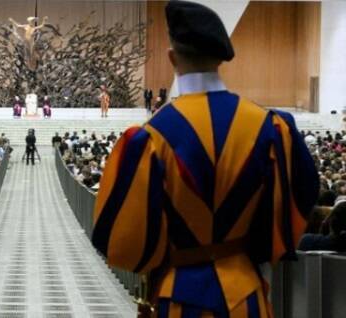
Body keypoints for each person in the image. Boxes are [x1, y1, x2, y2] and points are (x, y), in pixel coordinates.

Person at [91, 2, 318, 317]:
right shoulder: (271, 127)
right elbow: (303, 194)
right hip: (247, 294)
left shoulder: (151, 137)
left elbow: (122, 240)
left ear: (172, 57)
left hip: (179, 295)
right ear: (220, 60)